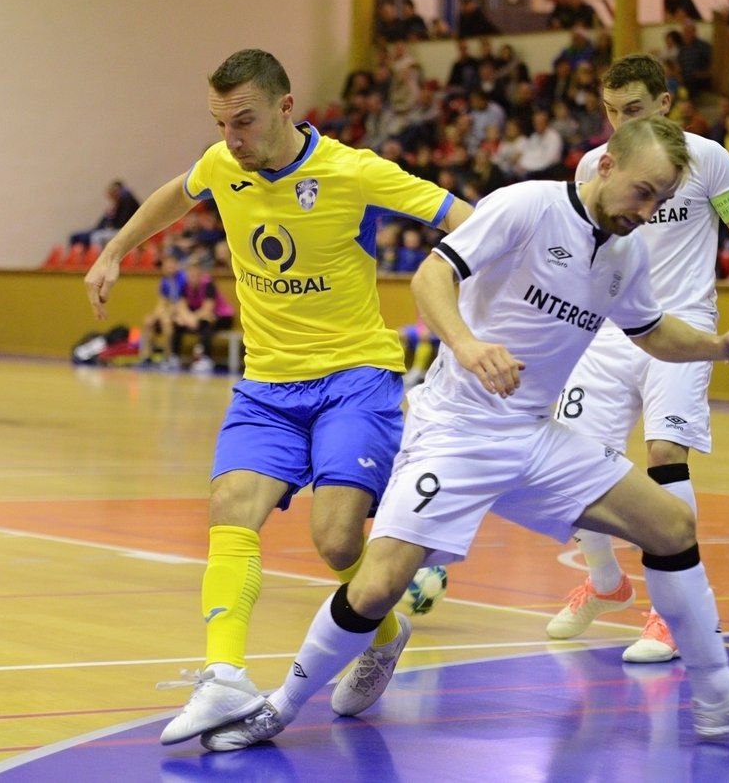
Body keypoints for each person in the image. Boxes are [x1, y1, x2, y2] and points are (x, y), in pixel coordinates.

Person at [197, 116, 729, 752]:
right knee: (379, 585)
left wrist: (719, 345)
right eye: (643, 191)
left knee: (672, 526)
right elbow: (431, 276)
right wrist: (465, 345)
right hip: (456, 429)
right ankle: (278, 707)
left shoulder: (626, 252)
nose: (649, 209)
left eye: (663, 199)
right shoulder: (527, 205)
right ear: (606, 166)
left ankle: (717, 697)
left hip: (534, 435)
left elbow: (651, 331)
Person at [83, 48, 473, 747]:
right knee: (231, 507)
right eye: (221, 124)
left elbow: (468, 220)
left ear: (287, 108)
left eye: (245, 122)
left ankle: (383, 632)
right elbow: (180, 192)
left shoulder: (354, 171)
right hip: (267, 386)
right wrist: (115, 249)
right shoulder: (222, 165)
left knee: (335, 541)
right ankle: (223, 676)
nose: (232, 140)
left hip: (355, 378)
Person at [544, 54, 729, 664]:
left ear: (665, 105)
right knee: (571, 463)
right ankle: (604, 582)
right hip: (609, 333)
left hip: (682, 328)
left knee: (665, 456)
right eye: (610, 111)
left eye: (633, 110)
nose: (618, 123)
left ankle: (671, 616)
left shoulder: (706, 159)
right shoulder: (596, 164)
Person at [172, 254, 236, 374]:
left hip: (223, 316)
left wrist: (192, 318)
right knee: (177, 323)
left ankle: (206, 359)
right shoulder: (185, 285)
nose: (193, 274)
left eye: (195, 271)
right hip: (198, 317)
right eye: (190, 271)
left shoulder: (208, 284)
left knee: (206, 323)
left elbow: (207, 308)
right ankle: (174, 357)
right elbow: (181, 307)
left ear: (200, 272)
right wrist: (187, 319)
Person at [138, 252, 185, 370]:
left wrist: (166, 314)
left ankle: (168, 356)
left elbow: (183, 302)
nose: (169, 267)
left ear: (177, 265)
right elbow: (162, 302)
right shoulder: (164, 281)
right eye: (167, 265)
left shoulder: (183, 279)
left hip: (183, 312)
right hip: (170, 311)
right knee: (148, 321)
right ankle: (146, 356)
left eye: (172, 264)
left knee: (166, 321)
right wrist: (155, 315)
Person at [70, 180, 140, 249]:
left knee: (97, 237)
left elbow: (122, 222)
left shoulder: (128, 202)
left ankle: (98, 258)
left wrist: (112, 221)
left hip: (126, 229)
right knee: (86, 235)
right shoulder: (121, 202)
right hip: (119, 228)